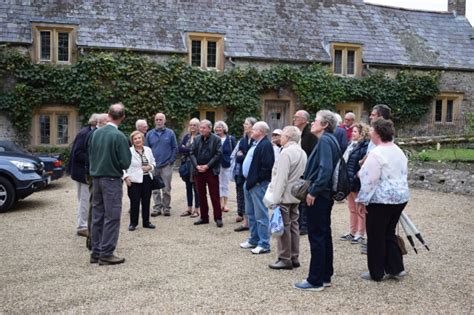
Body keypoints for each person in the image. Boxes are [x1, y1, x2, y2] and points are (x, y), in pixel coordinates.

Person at [356, 119, 410, 282]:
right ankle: (396, 268)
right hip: (400, 197)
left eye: (372, 130)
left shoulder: (376, 154)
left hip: (381, 200)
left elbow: (369, 180)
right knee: (389, 232)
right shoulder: (398, 150)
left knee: (375, 235)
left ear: (378, 133)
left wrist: (362, 200)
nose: (370, 133)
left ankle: (377, 272)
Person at [293, 110, 339, 291]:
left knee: (317, 236)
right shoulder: (330, 140)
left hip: (320, 196)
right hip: (324, 195)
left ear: (325, 124)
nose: (312, 123)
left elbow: (325, 170)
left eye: (316, 121)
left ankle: (315, 280)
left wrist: (313, 191)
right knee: (324, 234)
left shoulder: (326, 141)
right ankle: (325, 275)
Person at [88, 103, 132, 265]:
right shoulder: (119, 136)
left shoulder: (96, 134)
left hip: (96, 179)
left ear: (108, 114)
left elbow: (91, 155)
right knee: (112, 216)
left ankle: (96, 251)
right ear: (123, 117)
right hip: (111, 180)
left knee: (98, 215)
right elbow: (125, 162)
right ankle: (106, 253)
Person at [263, 126, 307, 269]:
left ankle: (284, 257)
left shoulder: (286, 153)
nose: (279, 137)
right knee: (294, 225)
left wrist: (275, 199)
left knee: (283, 227)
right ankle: (294, 256)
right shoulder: (302, 152)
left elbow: (281, 178)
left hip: (284, 195)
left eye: (282, 135)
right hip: (296, 194)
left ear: (287, 137)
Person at [239, 121, 274, 254]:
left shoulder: (265, 145)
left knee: (261, 215)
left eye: (254, 129)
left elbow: (267, 167)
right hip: (249, 183)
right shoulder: (256, 144)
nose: (251, 131)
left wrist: (256, 181)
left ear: (260, 131)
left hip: (257, 185)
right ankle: (253, 239)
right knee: (251, 213)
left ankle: (264, 243)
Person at [190, 119, 224, 228]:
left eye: (203, 128)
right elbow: (191, 153)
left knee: (214, 195)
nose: (201, 129)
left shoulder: (216, 139)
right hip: (198, 171)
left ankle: (218, 218)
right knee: (201, 195)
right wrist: (197, 166)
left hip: (211, 171)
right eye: (200, 127)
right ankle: (204, 217)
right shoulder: (196, 139)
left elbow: (218, 155)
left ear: (210, 128)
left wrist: (207, 166)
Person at [339, 123, 370, 244]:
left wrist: (355, 177)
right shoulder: (351, 144)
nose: (352, 133)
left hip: (357, 182)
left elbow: (362, 166)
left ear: (362, 133)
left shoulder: (364, 147)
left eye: (355, 132)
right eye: (353, 131)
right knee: (352, 208)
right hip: (348, 182)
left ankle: (360, 233)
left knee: (360, 209)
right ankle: (352, 231)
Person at [68, 114, 96, 237]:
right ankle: (82, 226)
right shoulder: (85, 133)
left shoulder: (88, 132)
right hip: (81, 173)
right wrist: (94, 159)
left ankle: (84, 224)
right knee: (84, 200)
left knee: (84, 199)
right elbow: (78, 153)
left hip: (82, 171)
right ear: (95, 122)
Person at [146, 113, 178, 217]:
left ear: (164, 121)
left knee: (166, 188)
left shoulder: (170, 133)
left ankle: (166, 208)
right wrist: (149, 163)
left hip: (166, 165)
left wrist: (171, 161)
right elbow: (146, 150)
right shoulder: (149, 134)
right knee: (155, 189)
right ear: (154, 121)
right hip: (154, 165)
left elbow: (174, 148)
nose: (158, 121)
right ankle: (157, 208)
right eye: (157, 119)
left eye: (160, 119)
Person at [124, 131, 156, 231]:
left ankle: (146, 222)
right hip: (134, 180)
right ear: (132, 141)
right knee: (134, 202)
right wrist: (125, 177)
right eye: (135, 139)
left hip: (147, 179)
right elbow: (122, 166)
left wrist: (150, 167)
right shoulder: (128, 151)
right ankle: (133, 223)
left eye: (139, 138)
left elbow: (154, 162)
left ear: (143, 139)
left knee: (146, 201)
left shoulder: (148, 150)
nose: (137, 140)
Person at [293, 110, 317, 236]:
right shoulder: (296, 132)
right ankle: (298, 222)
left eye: (296, 117)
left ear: (303, 119)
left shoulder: (311, 134)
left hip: (307, 170)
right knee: (298, 197)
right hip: (298, 169)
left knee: (304, 197)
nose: (294, 119)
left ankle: (305, 225)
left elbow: (312, 154)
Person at [233, 117, 257, 232]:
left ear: (253, 126)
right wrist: (242, 155)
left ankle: (252, 221)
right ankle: (245, 220)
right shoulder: (243, 140)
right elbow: (238, 156)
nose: (244, 125)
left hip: (252, 173)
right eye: (244, 123)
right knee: (241, 195)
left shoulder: (256, 140)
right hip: (241, 172)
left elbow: (250, 156)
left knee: (252, 197)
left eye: (247, 124)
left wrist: (243, 155)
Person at [178, 118, 201, 218]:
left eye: (195, 125)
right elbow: (180, 148)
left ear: (198, 127)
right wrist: (189, 150)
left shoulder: (200, 137)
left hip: (196, 166)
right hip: (187, 165)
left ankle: (197, 209)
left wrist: (186, 149)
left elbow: (198, 150)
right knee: (188, 187)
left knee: (197, 188)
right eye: (191, 125)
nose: (192, 127)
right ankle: (189, 208)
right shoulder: (187, 137)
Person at [214, 120, 236, 213]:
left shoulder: (231, 139)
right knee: (217, 184)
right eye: (217, 127)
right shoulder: (213, 138)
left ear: (224, 128)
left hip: (227, 164)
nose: (218, 129)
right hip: (216, 164)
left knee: (225, 184)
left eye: (220, 127)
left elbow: (234, 151)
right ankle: (219, 204)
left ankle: (225, 204)